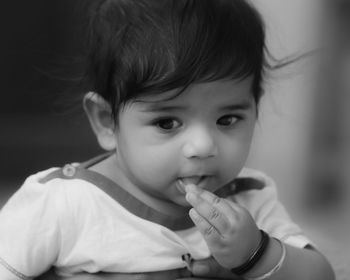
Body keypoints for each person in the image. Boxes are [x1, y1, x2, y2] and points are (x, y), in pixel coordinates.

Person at [0, 0, 335, 279]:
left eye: (227, 119)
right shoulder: (64, 204)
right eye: (167, 122)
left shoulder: (249, 200)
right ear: (106, 121)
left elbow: (320, 274)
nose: (203, 146)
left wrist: (256, 253)